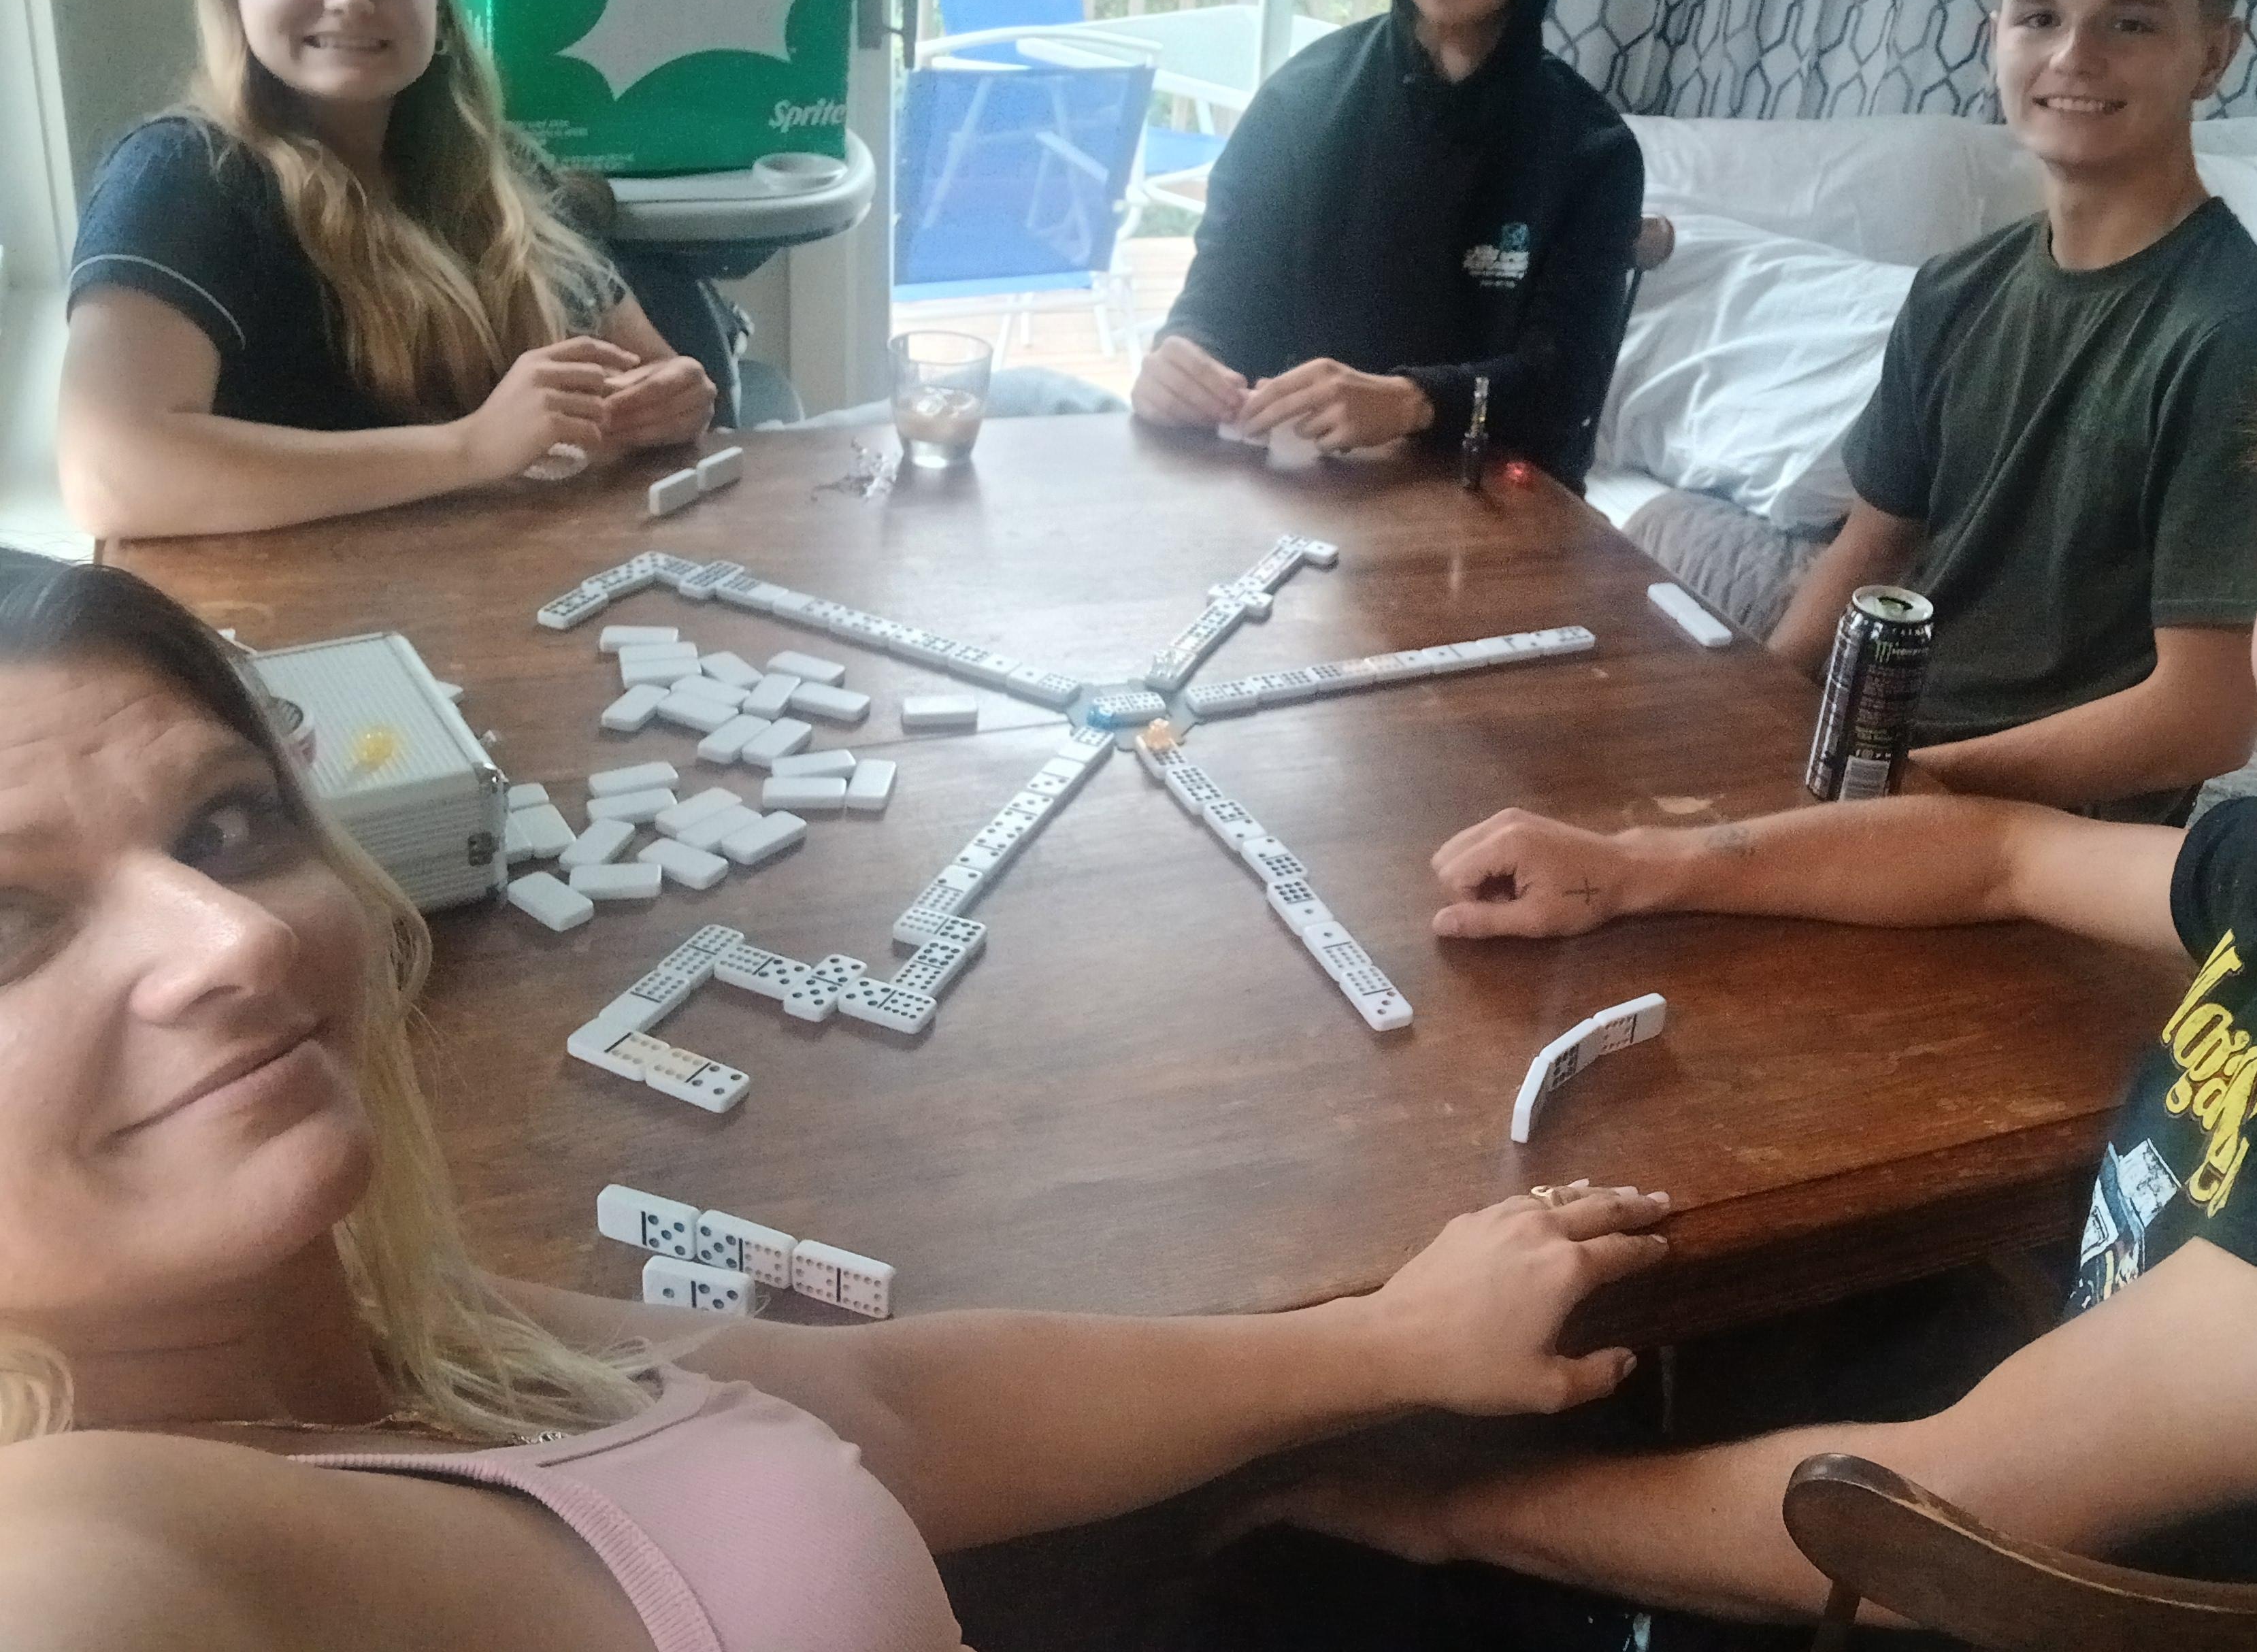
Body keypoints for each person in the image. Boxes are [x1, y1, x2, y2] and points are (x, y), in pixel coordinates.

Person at [1241, 315, 2257, 1632]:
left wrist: (1454, 1506)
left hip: (2114, 1609)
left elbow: (1934, 1527)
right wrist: (1652, 866)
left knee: (1286, 1549)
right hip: (2075, 1432)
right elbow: (2006, 857)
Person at [0, 548, 1670, 1650]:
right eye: (12, 923)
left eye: (223, 825)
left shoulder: (385, 1324)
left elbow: (885, 1407)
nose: (227, 935)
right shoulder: (82, 1549)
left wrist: (1377, 1345)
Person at [1762, 0, 2257, 819]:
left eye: (2131, 23)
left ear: (2216, 53)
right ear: (1995, 37)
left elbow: (2206, 717)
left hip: (2054, 832)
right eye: (2041, 17)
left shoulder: (2246, 337)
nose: (2073, 58)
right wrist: (1748, 716)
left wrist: (1914, 786)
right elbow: (1869, 550)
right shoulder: (1956, 290)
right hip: (1889, 779)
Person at [59, 0, 717, 541]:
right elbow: (110, 476)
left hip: (517, 595)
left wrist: (666, 401)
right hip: (302, 632)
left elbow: (649, 368)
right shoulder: (178, 174)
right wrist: (470, 449)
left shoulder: (504, 167)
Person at [1130, 0, 1642, 489]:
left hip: (1496, 505)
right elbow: (1225, 291)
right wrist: (1184, 355)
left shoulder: (1591, 150)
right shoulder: (1301, 101)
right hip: (1300, 487)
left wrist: (1412, 401)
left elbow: (1565, 382)